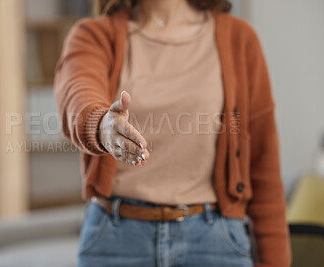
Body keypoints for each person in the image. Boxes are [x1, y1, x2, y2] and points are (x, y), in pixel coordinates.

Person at [54, 0, 292, 266]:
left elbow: (264, 165)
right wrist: (101, 126)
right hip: (115, 240)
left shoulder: (240, 38)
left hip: (215, 241)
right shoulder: (93, 35)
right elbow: (77, 93)